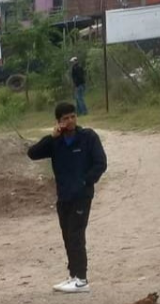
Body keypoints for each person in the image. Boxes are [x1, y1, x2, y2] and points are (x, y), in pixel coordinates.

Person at [27, 101, 107, 292]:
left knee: (76, 235)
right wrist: (51, 137)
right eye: (65, 118)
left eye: (73, 116)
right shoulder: (56, 142)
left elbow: (100, 163)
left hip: (81, 195)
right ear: (58, 121)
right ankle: (73, 276)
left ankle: (82, 279)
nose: (70, 121)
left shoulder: (88, 137)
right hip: (63, 196)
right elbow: (32, 153)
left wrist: (85, 181)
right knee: (67, 236)